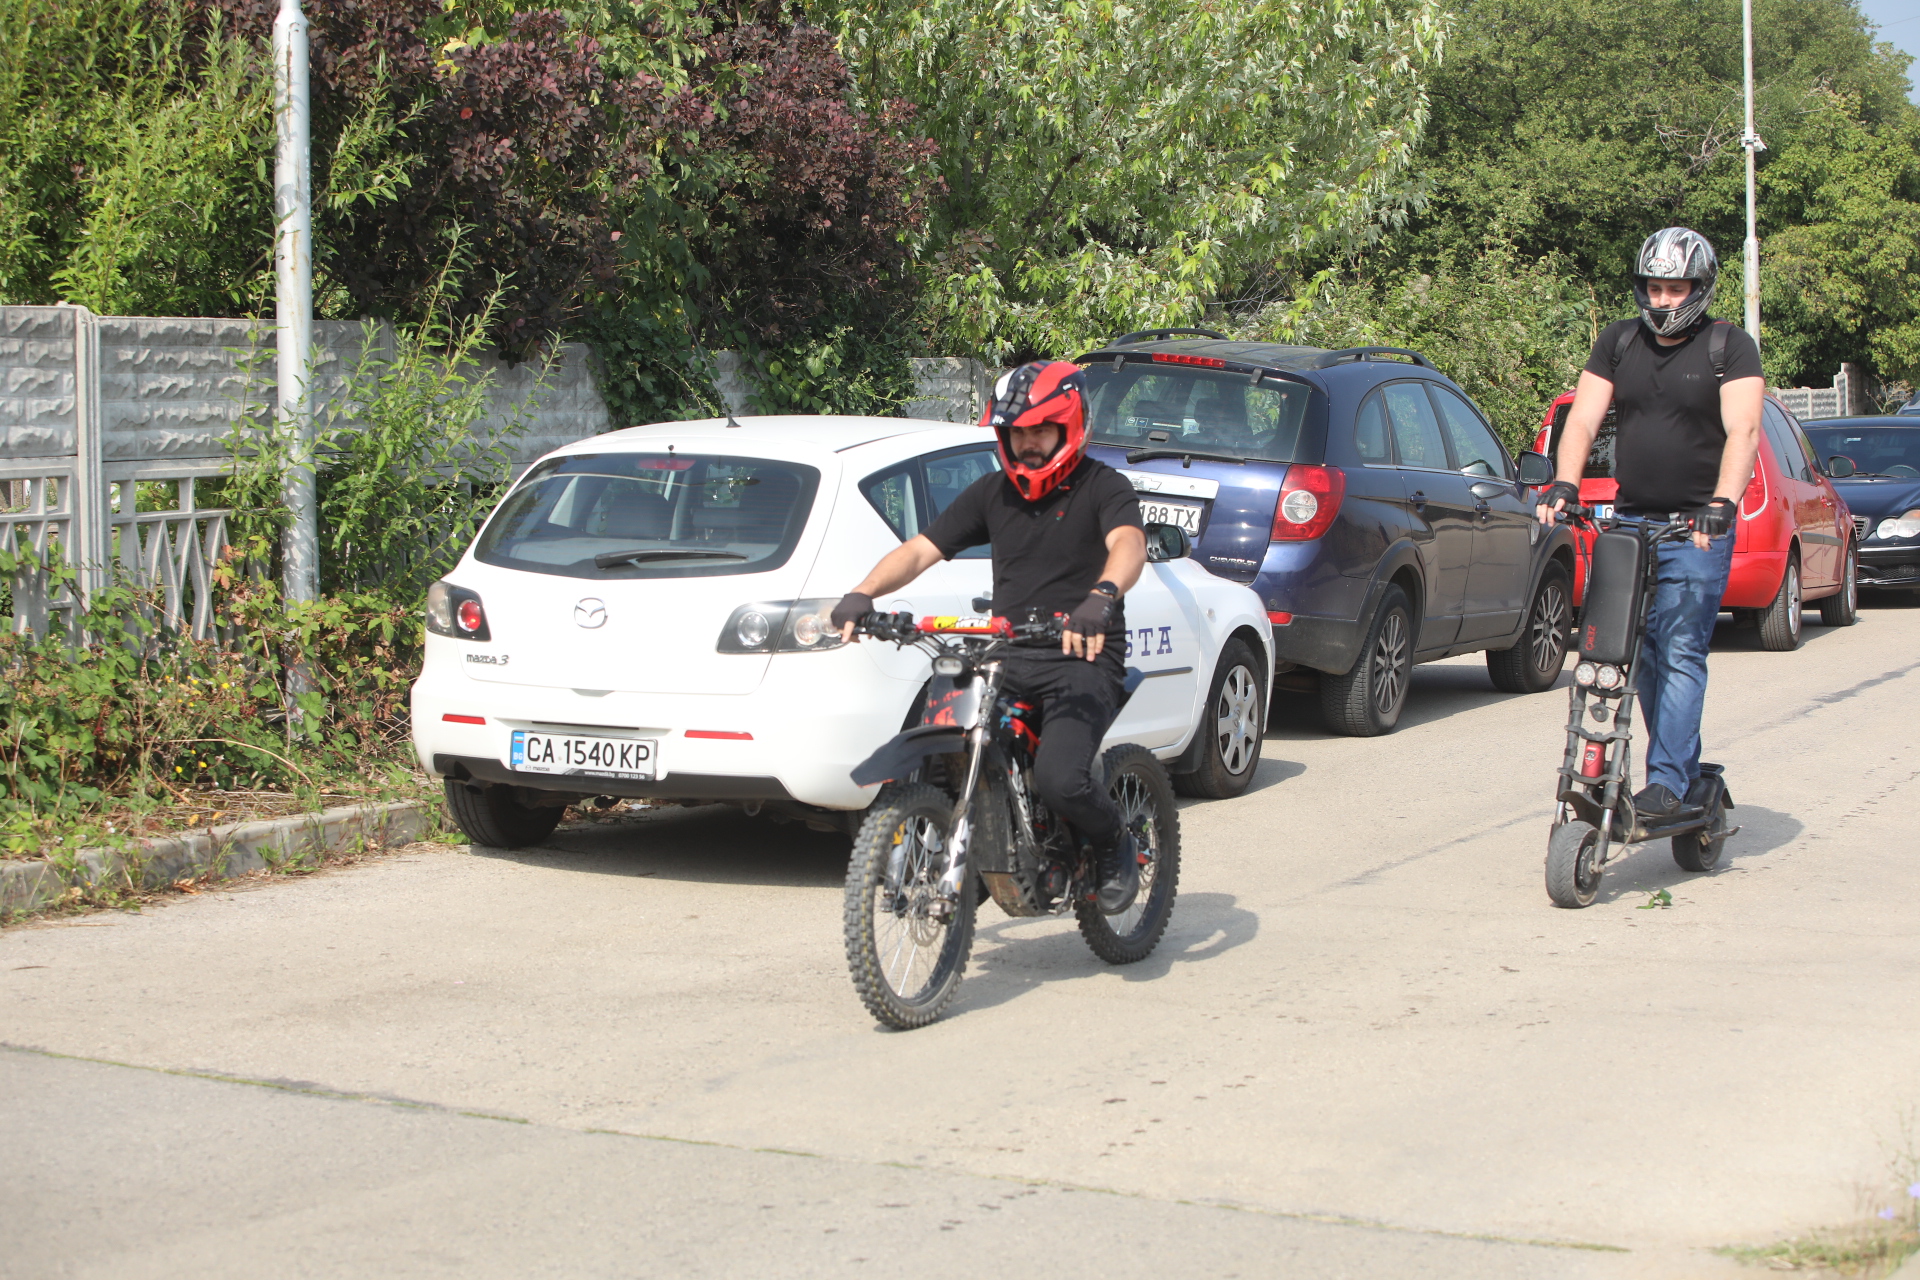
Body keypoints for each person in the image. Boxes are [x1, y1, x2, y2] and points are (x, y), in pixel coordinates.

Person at [830, 360, 1149, 912]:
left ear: (1069, 426)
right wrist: (864, 593)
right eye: (1017, 432)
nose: (1027, 443)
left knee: (1060, 778)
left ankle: (1114, 842)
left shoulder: (1104, 487)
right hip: (1009, 652)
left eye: (1040, 430)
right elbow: (919, 551)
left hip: (1083, 655)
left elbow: (1128, 545)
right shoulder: (991, 494)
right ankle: (967, 857)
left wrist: (1101, 598)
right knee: (948, 747)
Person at [1536, 227, 1764, 822]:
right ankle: (1656, 771)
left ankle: (1667, 783)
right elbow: (1582, 421)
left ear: (1700, 287)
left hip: (1697, 528)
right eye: (1654, 287)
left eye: (1675, 288)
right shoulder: (1617, 341)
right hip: (1632, 521)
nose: (1663, 299)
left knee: (1680, 648)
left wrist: (1723, 503)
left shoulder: (1729, 346)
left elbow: (1743, 430)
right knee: (1626, 652)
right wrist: (1565, 482)